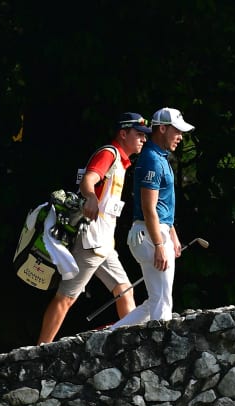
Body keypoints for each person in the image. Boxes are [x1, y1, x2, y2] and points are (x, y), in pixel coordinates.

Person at [37, 113, 152, 344]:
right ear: (123, 134)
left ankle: (131, 344)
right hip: (91, 242)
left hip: (103, 243)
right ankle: (40, 349)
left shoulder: (121, 161)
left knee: (124, 290)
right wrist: (90, 197)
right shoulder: (109, 154)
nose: (143, 140)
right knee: (67, 297)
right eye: (138, 135)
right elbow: (88, 180)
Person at [111, 107, 195, 329]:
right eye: (176, 131)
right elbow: (148, 208)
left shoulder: (158, 157)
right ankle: (162, 352)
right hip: (150, 235)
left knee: (154, 301)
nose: (180, 137)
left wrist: (172, 234)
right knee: (163, 301)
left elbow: (161, 206)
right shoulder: (152, 159)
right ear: (163, 128)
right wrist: (159, 243)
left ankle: (109, 337)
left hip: (154, 232)